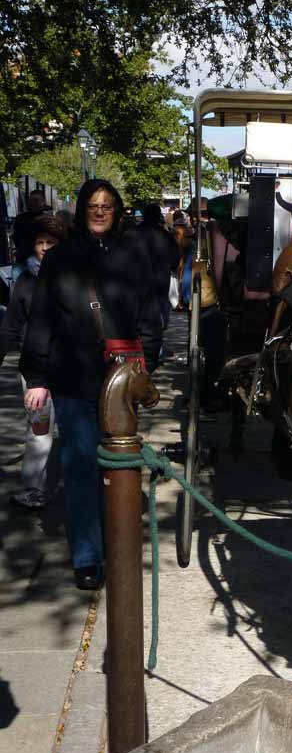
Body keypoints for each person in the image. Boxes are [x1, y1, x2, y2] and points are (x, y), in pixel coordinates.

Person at [21, 179, 162, 590]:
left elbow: (152, 313)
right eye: (93, 206)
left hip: (120, 378)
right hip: (72, 375)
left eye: (107, 206)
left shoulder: (133, 255)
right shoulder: (60, 258)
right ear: (82, 210)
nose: (100, 212)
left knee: (118, 467)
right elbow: (42, 318)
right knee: (81, 465)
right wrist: (36, 377)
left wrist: (147, 365)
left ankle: (117, 545)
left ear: (116, 211)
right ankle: (88, 555)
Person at [0, 214, 67, 508]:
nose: (44, 248)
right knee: (39, 431)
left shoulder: (74, 278)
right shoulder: (25, 283)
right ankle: (32, 489)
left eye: (50, 242)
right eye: (39, 242)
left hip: (70, 367)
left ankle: (75, 486)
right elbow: (11, 326)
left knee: (73, 430)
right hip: (34, 371)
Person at [135, 203, 181, 329]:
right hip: (160, 280)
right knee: (161, 310)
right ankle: (160, 329)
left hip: (138, 282)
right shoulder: (166, 235)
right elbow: (175, 259)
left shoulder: (132, 234)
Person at [12, 190, 51, 272]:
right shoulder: (21, 218)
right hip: (23, 259)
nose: (33, 203)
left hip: (41, 261)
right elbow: (16, 236)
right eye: (31, 200)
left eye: (36, 200)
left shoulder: (48, 219)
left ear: (43, 201)